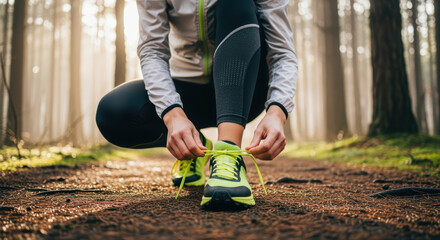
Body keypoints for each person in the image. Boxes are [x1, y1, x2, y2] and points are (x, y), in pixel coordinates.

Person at [96, 0, 297, 209]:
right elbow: (153, 49)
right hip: (186, 91)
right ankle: (195, 145)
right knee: (113, 113)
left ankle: (228, 154)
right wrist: (173, 115)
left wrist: (277, 111)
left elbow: (282, 51)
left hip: (247, 88)